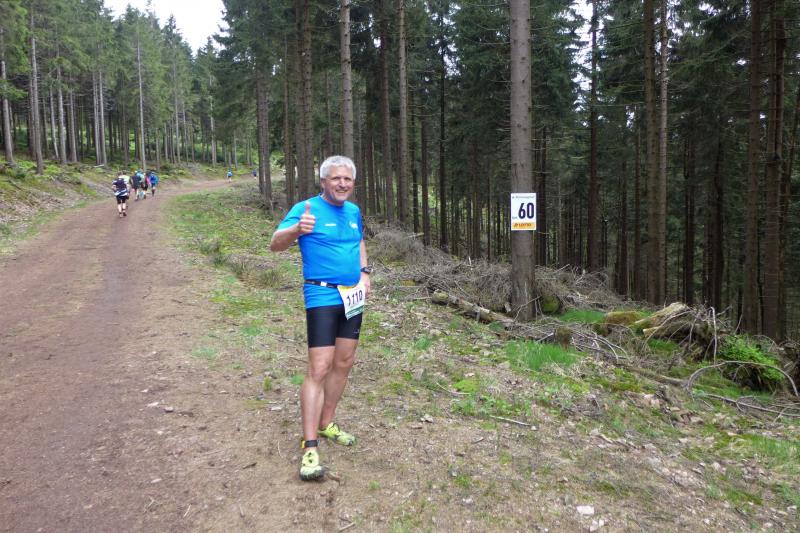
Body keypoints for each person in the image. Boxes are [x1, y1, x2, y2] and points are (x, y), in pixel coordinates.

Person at [270, 155, 371, 481]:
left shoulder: (353, 211)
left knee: (344, 362)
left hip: (352, 295)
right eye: (336, 178)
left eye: (347, 179)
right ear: (324, 181)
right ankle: (310, 444)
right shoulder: (306, 208)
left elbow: (359, 242)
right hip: (322, 295)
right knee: (319, 368)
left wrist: (365, 272)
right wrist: (296, 229)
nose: (342, 184)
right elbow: (275, 244)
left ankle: (327, 422)